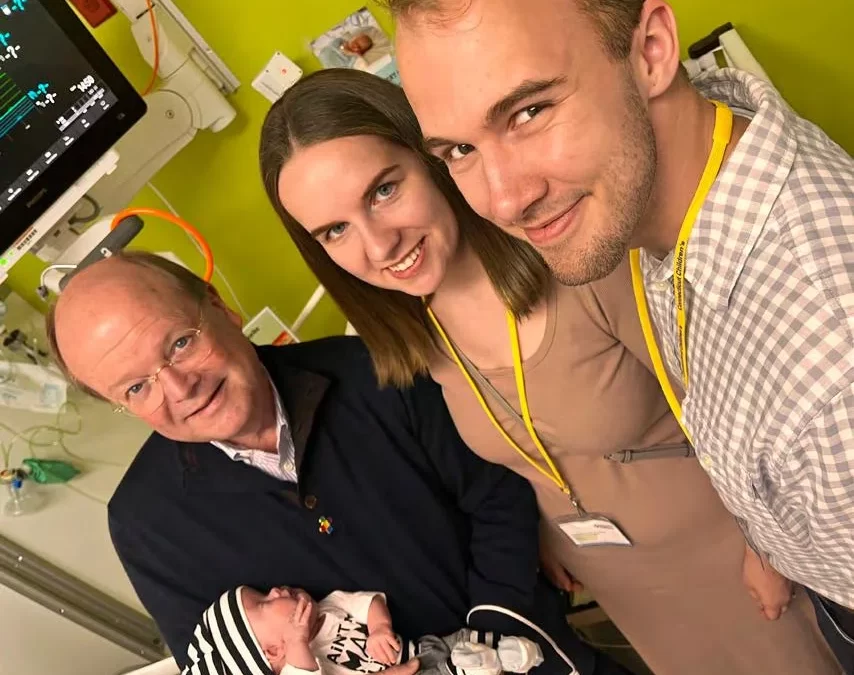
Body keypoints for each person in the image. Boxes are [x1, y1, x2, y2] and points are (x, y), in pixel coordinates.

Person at [258, 67, 840, 675]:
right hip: (631, 589)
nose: (379, 246)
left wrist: (769, 546)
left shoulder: (577, 258)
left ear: (434, 159)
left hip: (746, 562)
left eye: (383, 191)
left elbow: (743, 405)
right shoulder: (419, 339)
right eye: (335, 231)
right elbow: (524, 447)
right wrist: (545, 524)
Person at [387, 0, 854, 669]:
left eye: (529, 111)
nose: (502, 199)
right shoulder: (693, 172)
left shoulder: (830, 375)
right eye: (460, 150)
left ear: (654, 49)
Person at [46, 251, 622, 675]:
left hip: (523, 652)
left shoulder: (378, 370)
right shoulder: (148, 525)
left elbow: (497, 498)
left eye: (179, 344)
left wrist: (492, 642)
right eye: (137, 388)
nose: (180, 388)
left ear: (221, 306)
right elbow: (221, 668)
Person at [181, 584, 548, 675]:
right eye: (264, 602)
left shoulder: (328, 606)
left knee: (452, 641)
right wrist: (297, 642)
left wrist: (379, 628)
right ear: (274, 653)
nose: (276, 589)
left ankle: (499, 651)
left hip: (415, 650)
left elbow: (368, 602)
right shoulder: (303, 663)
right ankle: (481, 665)